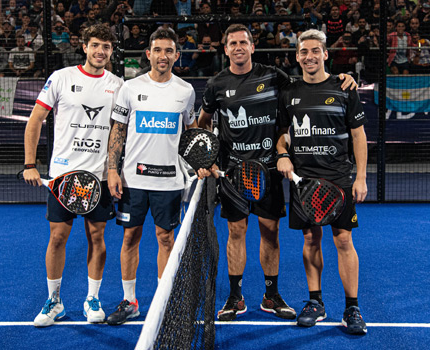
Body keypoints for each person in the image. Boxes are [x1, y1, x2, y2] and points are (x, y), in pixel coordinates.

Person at [197, 23, 356, 322]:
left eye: (244, 42)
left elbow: (309, 85)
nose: (238, 47)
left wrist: (341, 79)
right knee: (236, 231)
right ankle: (235, 296)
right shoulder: (217, 84)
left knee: (270, 232)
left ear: (253, 47)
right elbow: (202, 123)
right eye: (232, 43)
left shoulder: (273, 76)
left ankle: (271, 295)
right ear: (226, 49)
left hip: (269, 170)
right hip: (232, 174)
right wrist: (207, 157)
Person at [23, 24, 124, 327]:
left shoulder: (119, 85)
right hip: (63, 176)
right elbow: (35, 120)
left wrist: (115, 169)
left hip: (100, 176)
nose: (100, 51)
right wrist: (30, 163)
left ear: (111, 51)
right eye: (95, 45)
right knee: (57, 237)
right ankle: (54, 301)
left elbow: (120, 133)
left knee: (97, 236)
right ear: (84, 46)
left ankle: (92, 298)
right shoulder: (61, 78)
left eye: (106, 47)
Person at [276, 29, 367, 335]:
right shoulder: (288, 92)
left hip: (339, 177)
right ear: (297, 56)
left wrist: (362, 177)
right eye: (304, 52)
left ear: (325, 54)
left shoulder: (344, 88)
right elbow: (282, 133)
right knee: (310, 240)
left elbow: (358, 135)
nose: (309, 56)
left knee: (343, 241)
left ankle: (352, 307)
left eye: (315, 51)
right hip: (304, 180)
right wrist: (282, 154)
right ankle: (316, 303)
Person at [105, 27, 197, 326]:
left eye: (169, 50)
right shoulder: (130, 88)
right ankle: (130, 301)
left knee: (165, 238)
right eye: (157, 50)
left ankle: (163, 302)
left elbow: (192, 134)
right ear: (148, 54)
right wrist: (111, 170)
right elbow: (117, 130)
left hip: (169, 181)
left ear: (176, 56)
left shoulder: (185, 91)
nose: (163, 55)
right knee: (130, 236)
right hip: (133, 180)